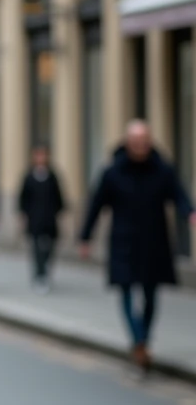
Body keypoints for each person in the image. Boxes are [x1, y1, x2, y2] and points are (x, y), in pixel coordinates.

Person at [79, 120, 196, 374]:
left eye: (144, 142)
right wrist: (85, 236)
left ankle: (143, 338)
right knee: (126, 291)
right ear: (128, 142)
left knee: (151, 294)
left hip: (153, 241)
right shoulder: (113, 171)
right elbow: (96, 205)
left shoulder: (162, 169)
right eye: (136, 142)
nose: (140, 147)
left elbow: (178, 194)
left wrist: (190, 213)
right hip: (123, 241)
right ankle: (139, 341)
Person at [18, 145, 66, 293]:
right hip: (35, 220)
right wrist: (24, 214)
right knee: (37, 249)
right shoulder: (29, 176)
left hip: (49, 219)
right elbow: (23, 198)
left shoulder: (52, 176)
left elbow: (59, 198)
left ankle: (45, 271)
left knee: (49, 249)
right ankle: (39, 275)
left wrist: (58, 212)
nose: (41, 158)